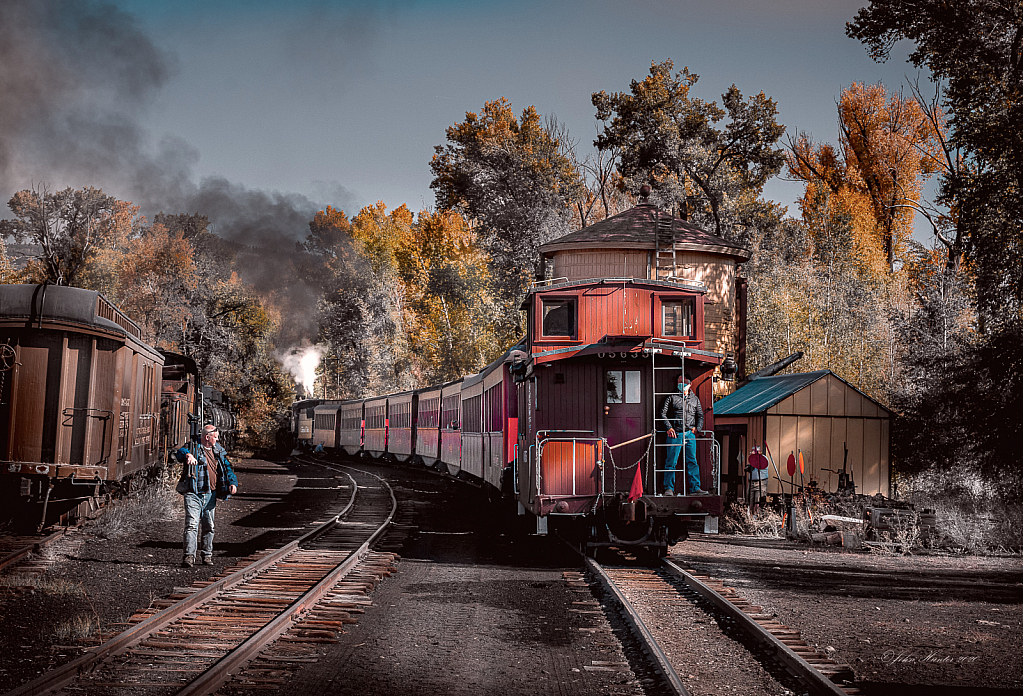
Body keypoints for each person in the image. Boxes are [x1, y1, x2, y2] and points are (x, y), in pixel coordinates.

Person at [175, 424, 238, 567]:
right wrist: (187, 455)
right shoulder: (193, 447)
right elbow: (179, 452)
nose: (217, 439)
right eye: (215, 437)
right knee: (191, 525)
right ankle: (189, 557)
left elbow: (228, 468)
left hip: (210, 494)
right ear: (207, 437)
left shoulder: (218, 451)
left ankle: (206, 555)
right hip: (193, 492)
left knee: (209, 526)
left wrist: (233, 482)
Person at [659, 374, 707, 496]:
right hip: (675, 434)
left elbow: (700, 415)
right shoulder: (672, 397)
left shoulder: (695, 400)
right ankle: (669, 488)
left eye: (683, 382)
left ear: (690, 384)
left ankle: (695, 488)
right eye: (679, 382)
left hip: (690, 435)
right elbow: (662, 414)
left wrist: (697, 429)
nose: (681, 385)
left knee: (692, 461)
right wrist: (669, 427)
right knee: (671, 462)